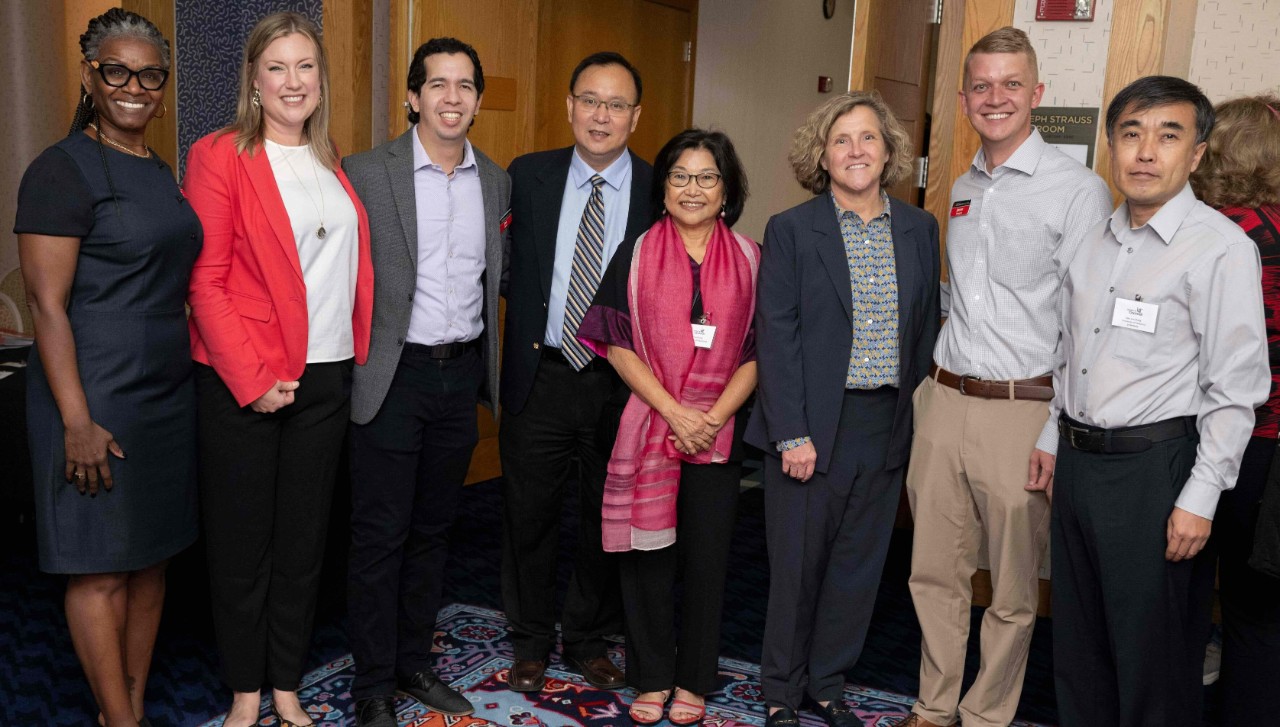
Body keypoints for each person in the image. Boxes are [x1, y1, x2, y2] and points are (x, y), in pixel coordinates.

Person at [890, 27, 1112, 727]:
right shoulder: (959, 187)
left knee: (1013, 587)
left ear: (1037, 94)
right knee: (933, 570)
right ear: (962, 100)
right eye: (981, 86)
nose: (996, 98)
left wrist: (1054, 429)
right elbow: (964, 296)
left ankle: (987, 714)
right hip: (946, 397)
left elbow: (1086, 325)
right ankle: (934, 705)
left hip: (1025, 409)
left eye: (1011, 84)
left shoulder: (1079, 193)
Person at [1038, 75, 1269, 727]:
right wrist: (1052, 440)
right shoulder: (1089, 239)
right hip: (1080, 466)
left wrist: (1200, 497)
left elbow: (1235, 389)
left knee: (1153, 657)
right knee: (1079, 647)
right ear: (1111, 145)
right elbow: (1070, 353)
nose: (1146, 151)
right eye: (1131, 134)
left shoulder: (1221, 247)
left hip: (1156, 470)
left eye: (1168, 135)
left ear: (1196, 153)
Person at [183, 12, 373, 727]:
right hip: (246, 381)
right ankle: (242, 689)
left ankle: (285, 683)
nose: (293, 81)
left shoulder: (332, 164)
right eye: (277, 68)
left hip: (326, 379)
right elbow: (205, 281)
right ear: (255, 82)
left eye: (306, 67)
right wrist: (253, 377)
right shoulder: (219, 154)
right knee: (241, 547)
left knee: (302, 543)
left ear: (320, 82)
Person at [14, 9, 196, 726]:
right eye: (116, 71)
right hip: (92, 391)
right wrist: (77, 419)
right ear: (90, 75)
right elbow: (45, 305)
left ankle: (131, 706)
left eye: (150, 74)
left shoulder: (156, 166)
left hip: (165, 390)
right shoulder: (60, 169)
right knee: (100, 569)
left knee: (151, 561)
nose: (134, 87)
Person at [744, 91, 941, 727]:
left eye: (868, 139)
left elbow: (923, 334)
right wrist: (791, 433)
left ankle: (827, 684)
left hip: (884, 425)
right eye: (841, 140)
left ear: (888, 152)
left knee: (858, 568)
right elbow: (777, 337)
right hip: (810, 428)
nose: (855, 151)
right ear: (822, 156)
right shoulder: (793, 230)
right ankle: (780, 690)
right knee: (797, 568)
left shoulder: (918, 228)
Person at [342, 37, 509, 727]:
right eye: (436, 84)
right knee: (380, 533)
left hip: (460, 374)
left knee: (435, 530)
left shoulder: (497, 181)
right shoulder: (365, 171)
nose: (451, 97)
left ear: (476, 99)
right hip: (392, 373)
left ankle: (414, 660)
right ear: (412, 96)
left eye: (464, 85)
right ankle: (373, 682)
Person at [577, 129, 757, 725]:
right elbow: (614, 342)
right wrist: (676, 412)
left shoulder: (755, 260)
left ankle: (695, 680)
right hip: (652, 423)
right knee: (647, 558)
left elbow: (762, 352)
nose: (692, 188)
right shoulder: (634, 253)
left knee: (706, 561)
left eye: (707, 177)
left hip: (718, 432)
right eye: (680, 175)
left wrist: (711, 419)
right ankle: (651, 676)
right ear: (663, 187)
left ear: (726, 190)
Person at [499, 51, 653, 692]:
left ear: (636, 117)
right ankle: (531, 640)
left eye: (616, 105)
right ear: (569, 106)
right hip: (543, 371)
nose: (601, 115)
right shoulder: (526, 176)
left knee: (603, 516)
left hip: (620, 380)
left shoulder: (657, 188)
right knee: (526, 514)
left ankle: (588, 637)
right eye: (590, 100)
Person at [1188, 93, 1280, 725]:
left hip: (1228, 442)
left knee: (1190, 595)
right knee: (1259, 613)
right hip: (1273, 451)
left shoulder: (1221, 236)